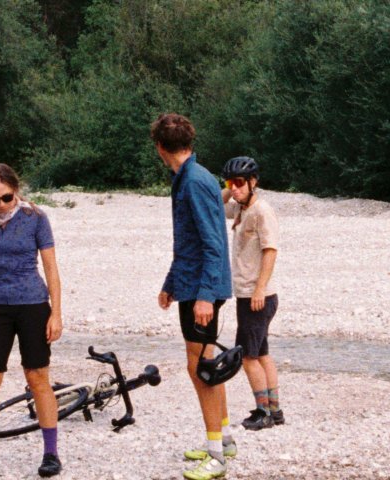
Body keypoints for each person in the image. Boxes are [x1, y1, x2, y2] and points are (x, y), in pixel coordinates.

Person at [0, 163, 64, 479]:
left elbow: (51, 269)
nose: (1, 205)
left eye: (6, 198)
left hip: (33, 304)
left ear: (15, 191)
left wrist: (56, 314)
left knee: (37, 378)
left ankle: (51, 454)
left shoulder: (36, 218)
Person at [151, 113, 235, 480]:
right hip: (192, 282)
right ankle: (225, 438)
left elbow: (213, 244)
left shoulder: (195, 181)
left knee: (200, 368)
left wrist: (203, 295)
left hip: (204, 287)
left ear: (159, 147)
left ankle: (216, 454)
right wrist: (172, 282)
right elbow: (187, 243)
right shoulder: (186, 178)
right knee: (207, 363)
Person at [219, 156, 283, 431]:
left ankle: (263, 412)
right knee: (263, 353)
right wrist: (230, 185)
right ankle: (275, 410)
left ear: (254, 182)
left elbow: (270, 250)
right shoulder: (242, 208)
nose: (234, 188)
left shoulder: (261, 211)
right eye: (231, 182)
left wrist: (258, 289)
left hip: (257, 296)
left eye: (240, 182)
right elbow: (218, 204)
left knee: (248, 357)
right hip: (250, 294)